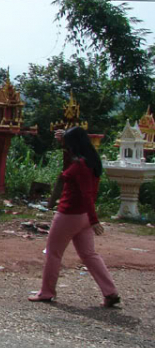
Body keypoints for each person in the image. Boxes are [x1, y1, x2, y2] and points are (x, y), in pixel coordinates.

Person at [29, 127, 120, 307]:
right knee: (89, 254)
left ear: (73, 145)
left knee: (53, 253)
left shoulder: (79, 166)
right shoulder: (92, 162)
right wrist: (91, 219)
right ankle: (110, 292)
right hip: (84, 217)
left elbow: (84, 193)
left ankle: (46, 292)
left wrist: (95, 221)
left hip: (69, 214)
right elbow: (77, 178)